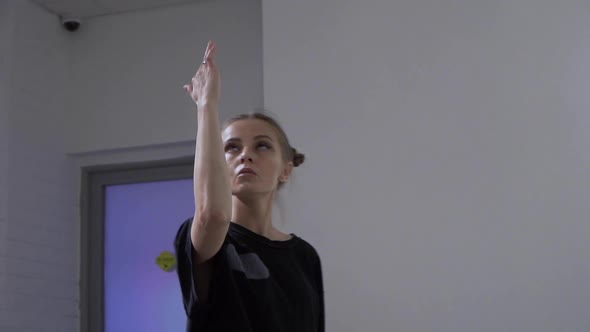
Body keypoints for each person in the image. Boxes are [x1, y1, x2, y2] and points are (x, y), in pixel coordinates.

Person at [174, 40, 325, 332]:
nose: (245, 155)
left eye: (263, 146)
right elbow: (212, 215)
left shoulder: (304, 256)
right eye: (231, 147)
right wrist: (207, 106)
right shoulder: (212, 241)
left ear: (285, 170)